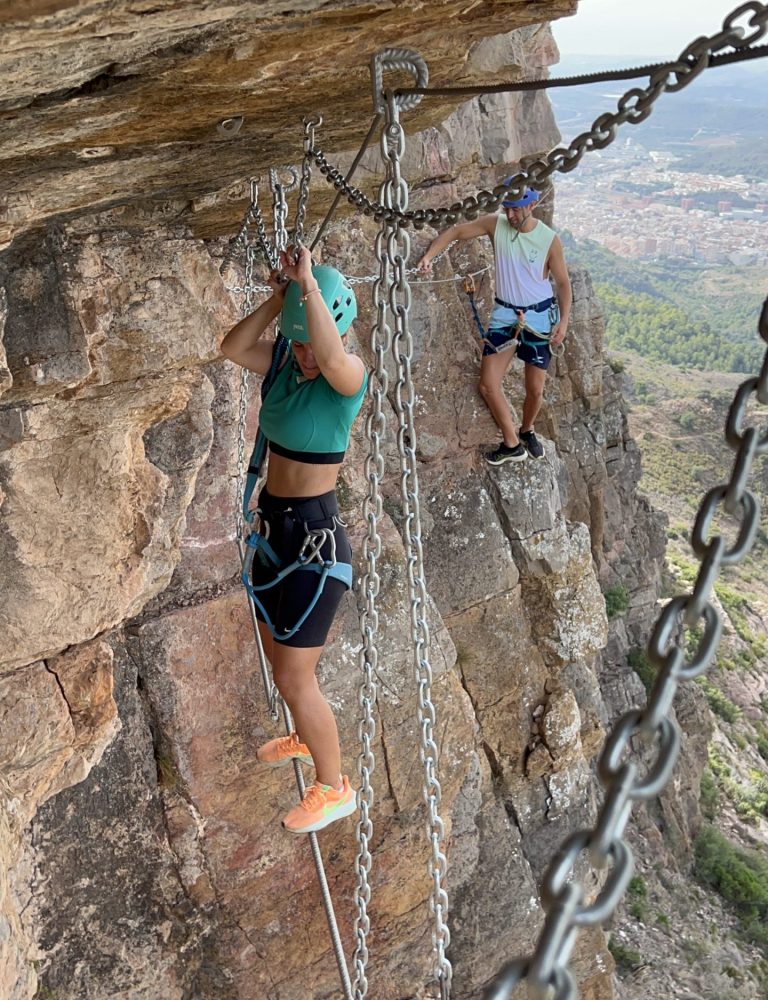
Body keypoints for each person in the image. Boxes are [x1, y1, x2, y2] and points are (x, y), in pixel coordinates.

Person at [220, 246, 367, 835]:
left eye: (310, 342)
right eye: (297, 342)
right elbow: (232, 348)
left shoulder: (346, 379)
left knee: (294, 676)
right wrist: (279, 299)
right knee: (278, 654)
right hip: (276, 530)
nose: (304, 354)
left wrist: (306, 287)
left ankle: (335, 789)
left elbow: (330, 355)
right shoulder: (283, 364)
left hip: (315, 539)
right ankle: (305, 739)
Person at [417, 184, 572, 464]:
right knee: (488, 385)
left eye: (516, 209)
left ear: (531, 206)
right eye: (507, 208)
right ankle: (512, 443)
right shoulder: (496, 225)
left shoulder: (549, 240)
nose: (510, 214)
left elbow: (562, 283)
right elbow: (456, 232)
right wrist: (429, 256)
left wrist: (564, 321)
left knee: (535, 389)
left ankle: (527, 430)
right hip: (505, 314)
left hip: (539, 316)